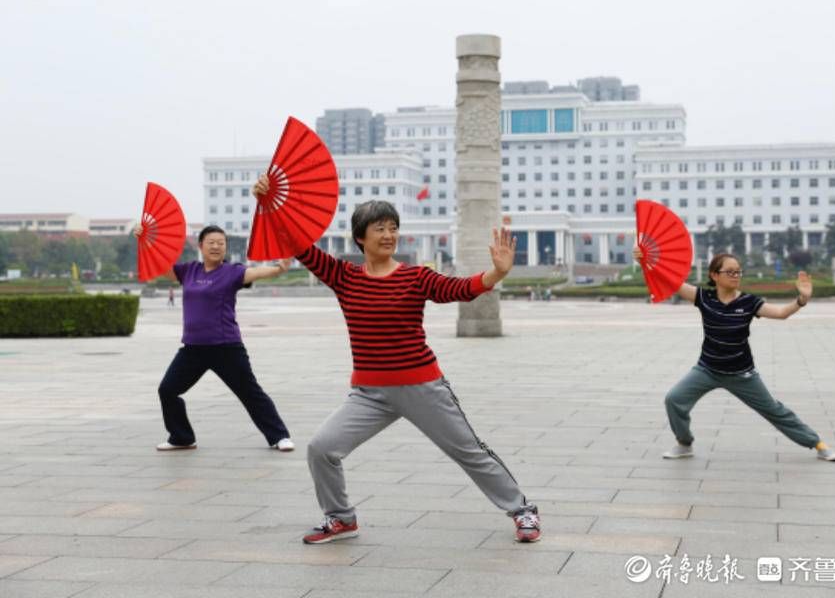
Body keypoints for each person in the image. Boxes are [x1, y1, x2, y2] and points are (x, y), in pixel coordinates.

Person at [254, 177, 540, 544]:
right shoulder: (343, 277)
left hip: (422, 387)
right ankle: (341, 518)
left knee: (468, 451)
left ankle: (522, 510)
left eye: (393, 228)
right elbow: (298, 244)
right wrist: (269, 203)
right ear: (361, 237)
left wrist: (497, 273)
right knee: (321, 448)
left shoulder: (415, 277)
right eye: (380, 228)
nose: (388, 235)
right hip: (369, 393)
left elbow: (458, 289)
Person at [633, 248, 835, 462]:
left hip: (742, 374)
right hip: (707, 369)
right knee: (674, 399)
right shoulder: (703, 297)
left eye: (738, 272)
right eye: (730, 272)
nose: (735, 276)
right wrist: (645, 261)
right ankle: (684, 443)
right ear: (715, 275)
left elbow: (780, 314)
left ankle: (818, 444)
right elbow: (670, 281)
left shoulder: (749, 302)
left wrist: (802, 300)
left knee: (775, 410)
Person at [134, 223, 295, 452]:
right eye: (211, 242)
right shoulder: (189, 270)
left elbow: (256, 272)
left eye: (221, 243)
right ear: (201, 246)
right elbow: (161, 267)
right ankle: (181, 437)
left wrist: (279, 268)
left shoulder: (232, 272)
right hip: (193, 349)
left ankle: (279, 436)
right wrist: (146, 242)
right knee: (167, 390)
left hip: (226, 347)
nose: (216, 246)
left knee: (250, 393)